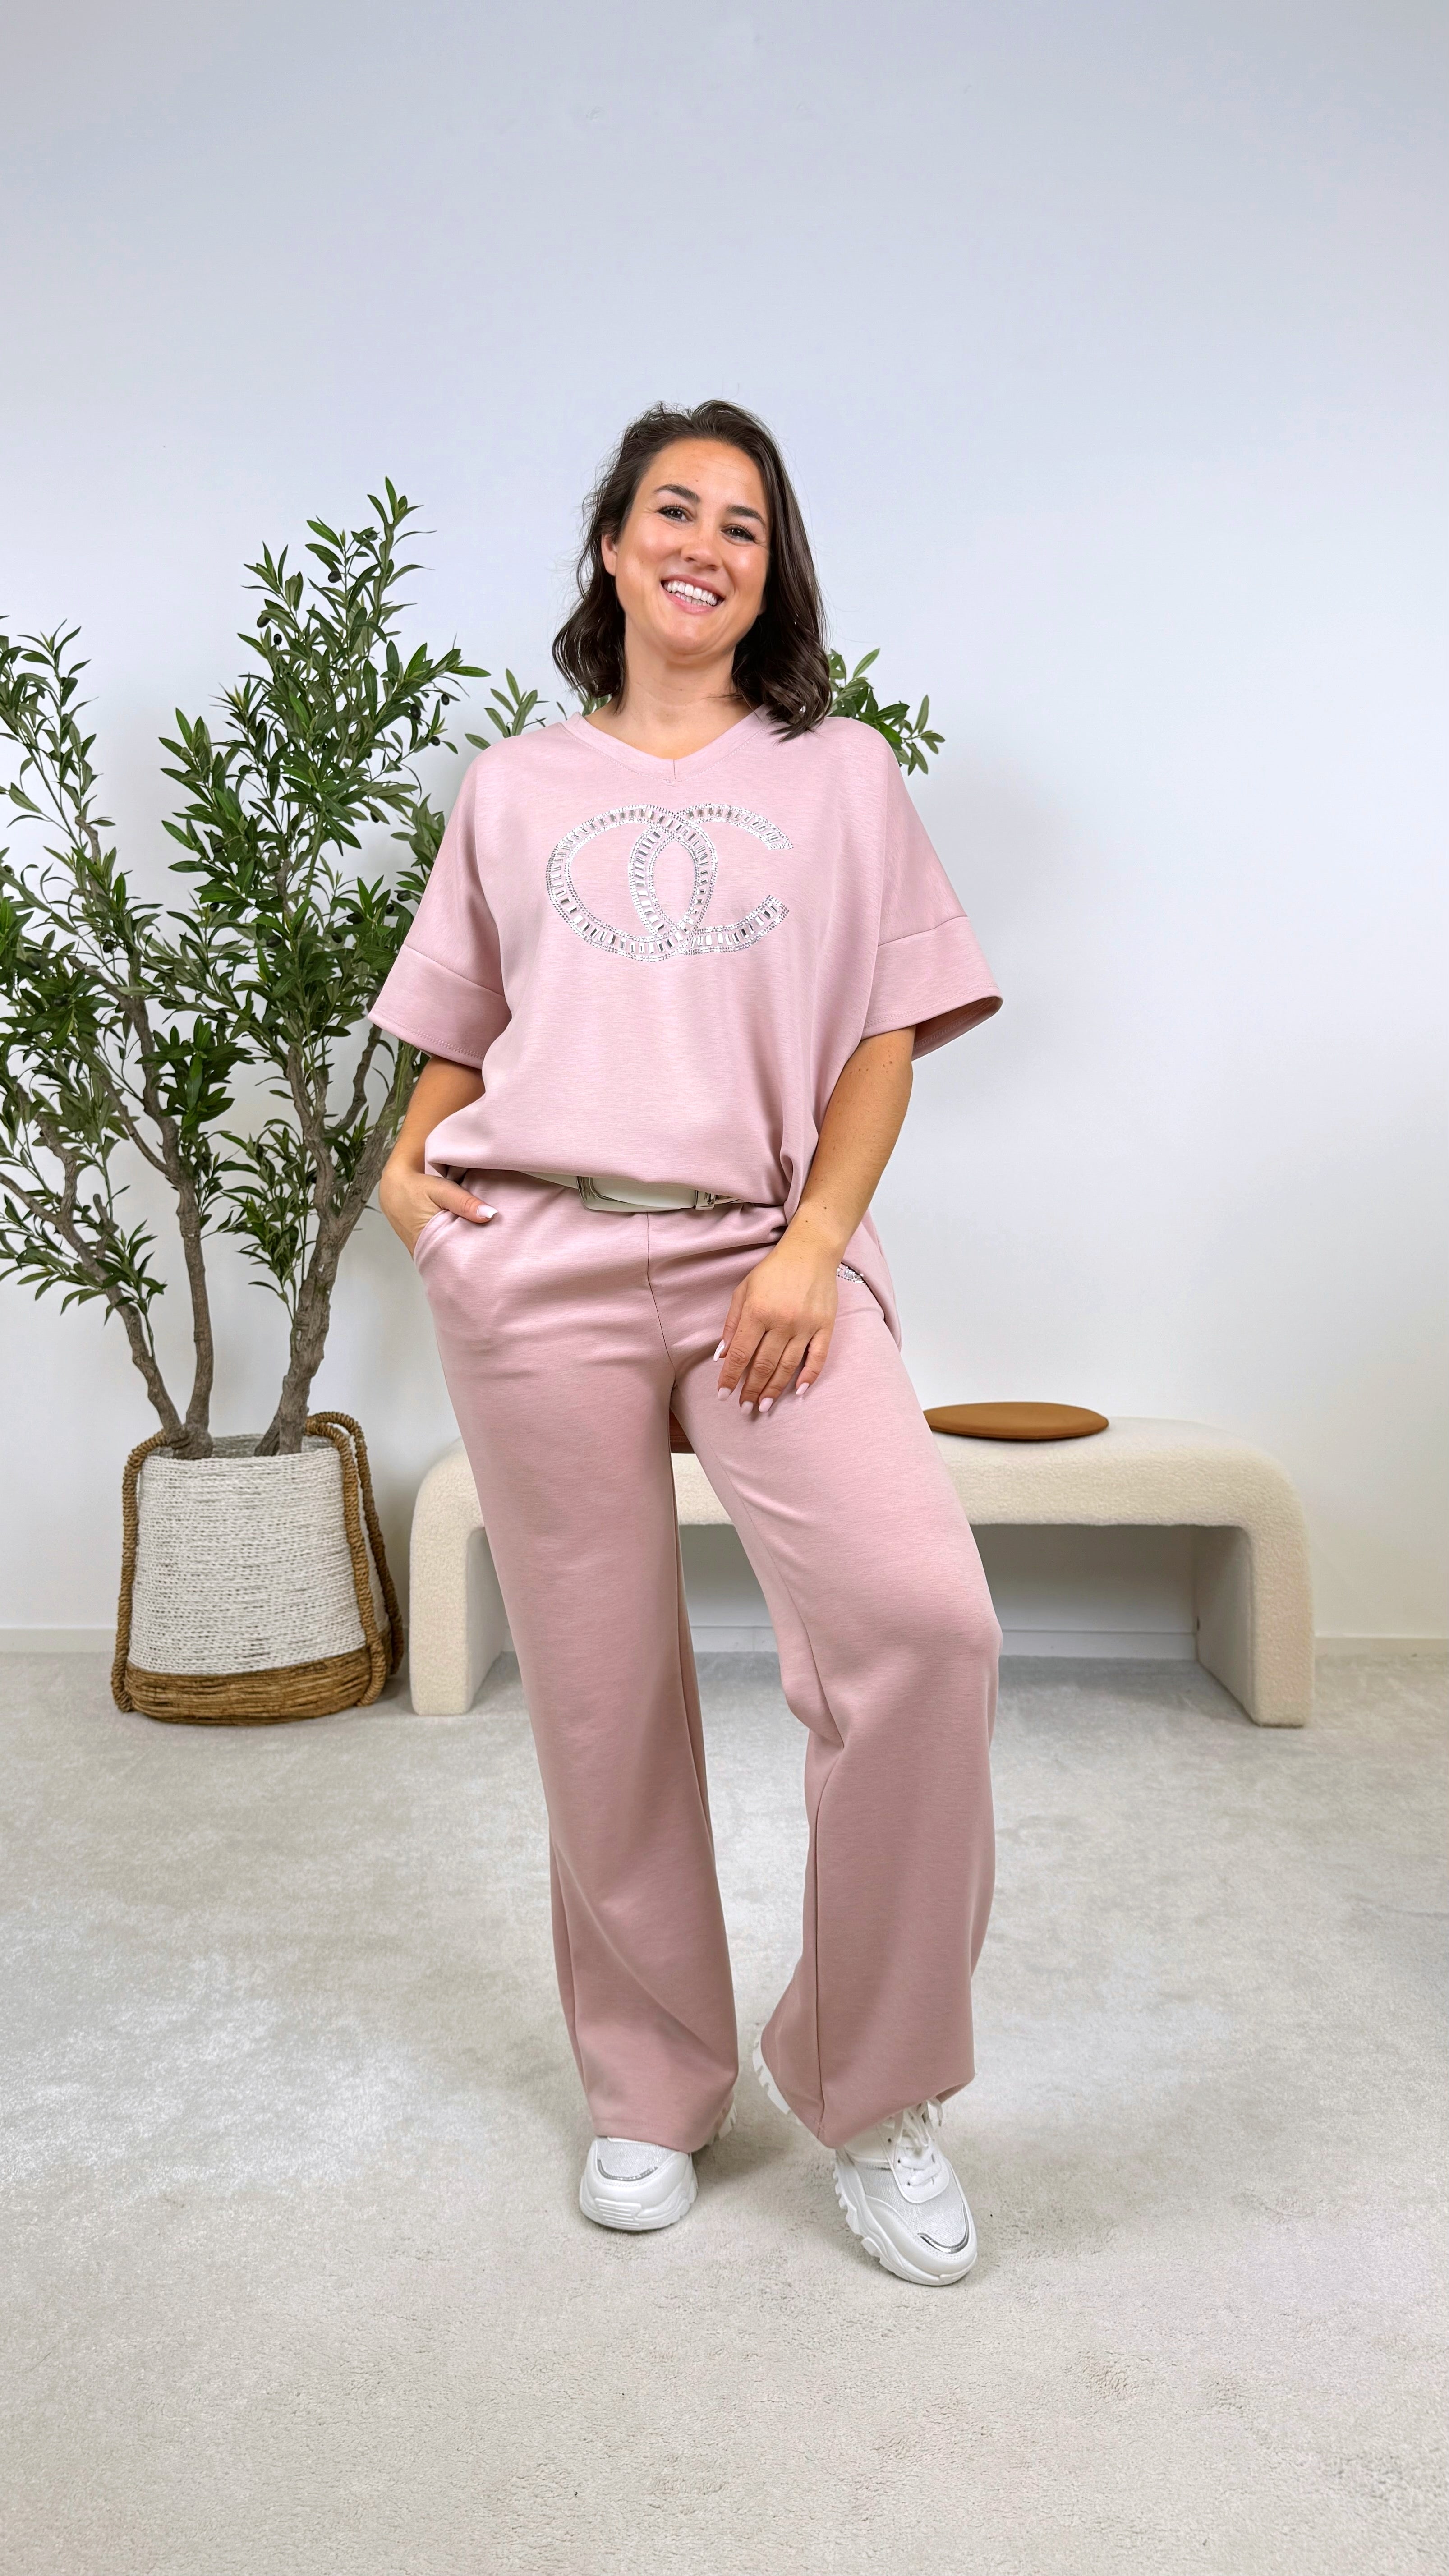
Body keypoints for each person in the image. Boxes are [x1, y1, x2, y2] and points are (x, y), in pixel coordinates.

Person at [370, 400, 1003, 2288]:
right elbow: (458, 1040)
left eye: (743, 521)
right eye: (674, 508)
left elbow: (884, 1037)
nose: (704, 544)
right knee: (597, 1691)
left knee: (922, 1627)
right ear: (613, 543)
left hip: (764, 1262)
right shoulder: (513, 787)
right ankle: (650, 2084)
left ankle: (876, 2089)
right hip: (539, 1264)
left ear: (769, 567)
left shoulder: (842, 775)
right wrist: (414, 1188)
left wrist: (812, 1246)